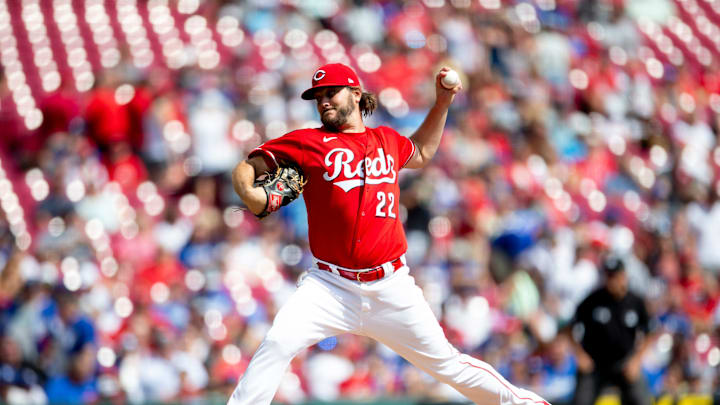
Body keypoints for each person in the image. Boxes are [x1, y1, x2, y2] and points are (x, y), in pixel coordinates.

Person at [229, 63, 551, 405]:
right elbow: (247, 167)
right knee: (278, 343)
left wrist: (441, 104)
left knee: (446, 364)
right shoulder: (308, 142)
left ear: (355, 93)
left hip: (391, 285)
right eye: (318, 97)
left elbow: (423, 152)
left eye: (330, 92)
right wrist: (250, 194)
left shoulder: (386, 140)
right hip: (330, 286)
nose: (323, 101)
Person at [570, 256, 654, 405]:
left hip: (625, 363)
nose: (612, 280)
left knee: (642, 399)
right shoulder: (592, 300)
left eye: (615, 275)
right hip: (595, 364)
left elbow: (649, 332)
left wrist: (637, 360)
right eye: (608, 275)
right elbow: (569, 328)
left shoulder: (635, 302)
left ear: (624, 276)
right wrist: (580, 355)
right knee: (581, 400)